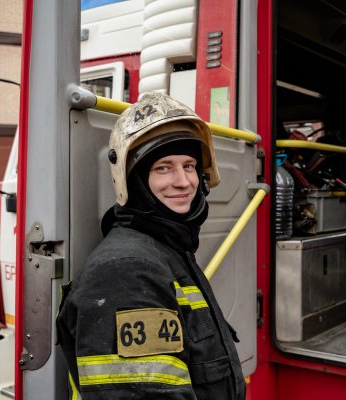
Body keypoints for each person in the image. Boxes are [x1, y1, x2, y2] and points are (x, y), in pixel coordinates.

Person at [56, 92, 245, 399]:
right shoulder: (126, 270)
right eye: (163, 168)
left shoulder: (168, 248)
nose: (184, 181)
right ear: (134, 180)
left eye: (189, 165)